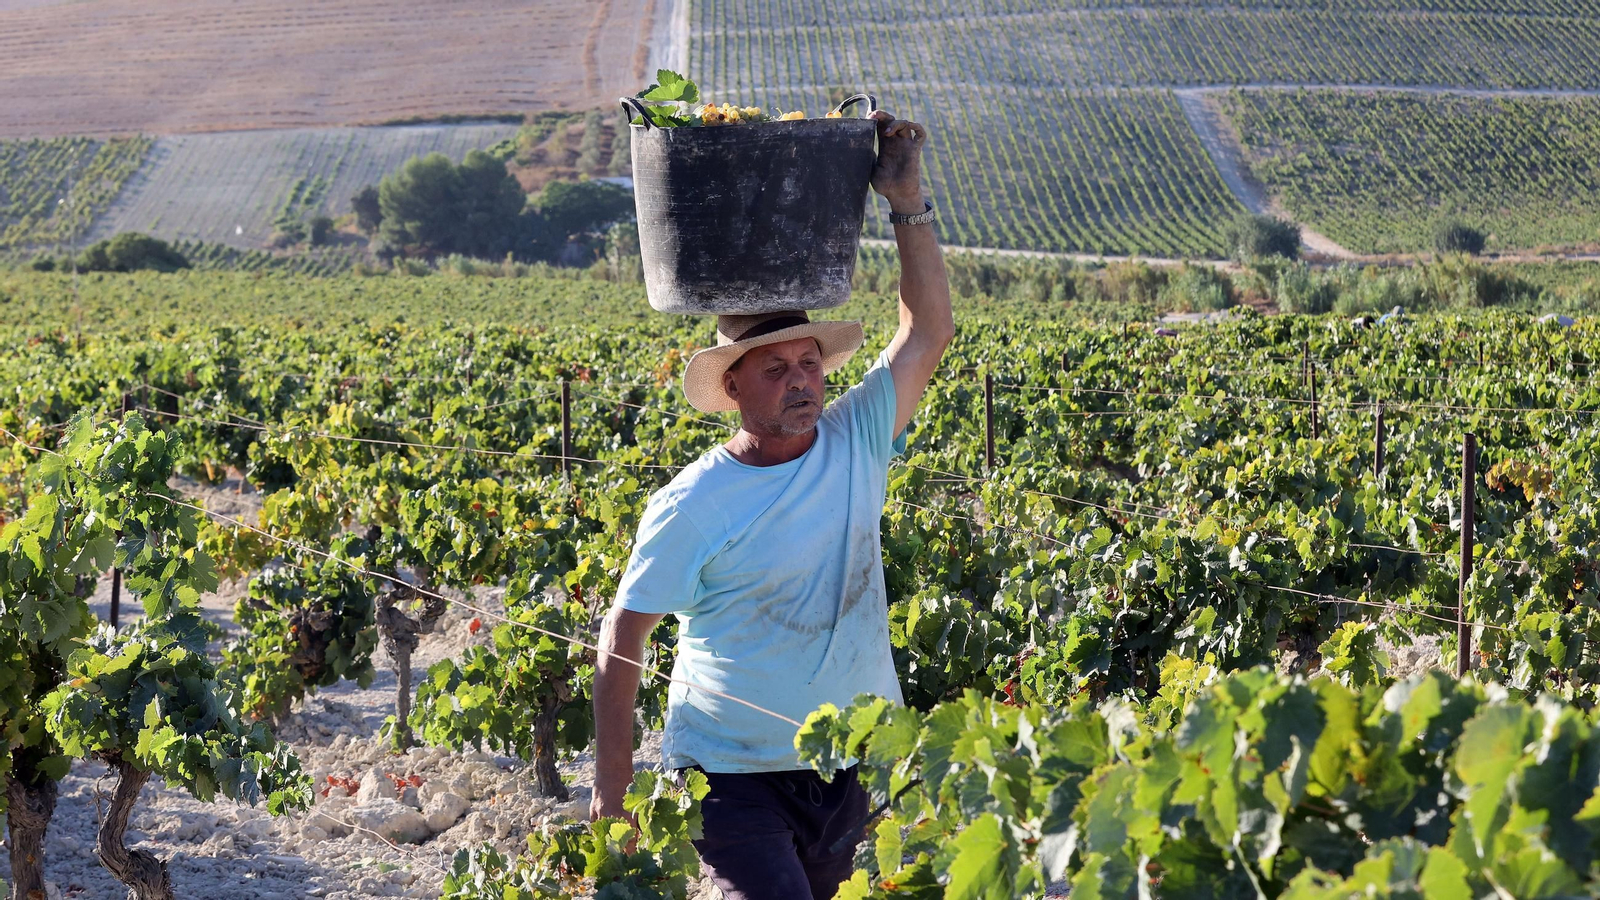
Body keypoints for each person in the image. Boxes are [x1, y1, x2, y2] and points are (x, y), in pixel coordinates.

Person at [589, 109, 953, 900]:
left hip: (849, 768)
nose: (801, 381)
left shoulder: (856, 440)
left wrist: (905, 200)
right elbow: (622, 638)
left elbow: (927, 333)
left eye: (809, 363)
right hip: (729, 778)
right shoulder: (693, 503)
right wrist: (609, 793)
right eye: (775, 369)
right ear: (732, 388)